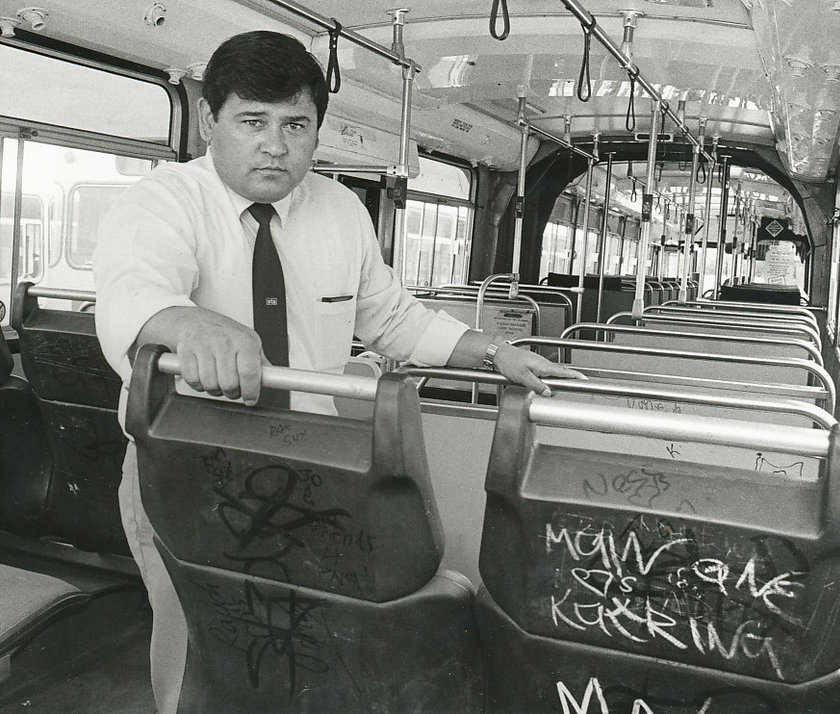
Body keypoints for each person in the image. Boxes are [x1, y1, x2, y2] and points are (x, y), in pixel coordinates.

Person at [94, 30, 581, 714]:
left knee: (299, 633)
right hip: (187, 472)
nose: (275, 145)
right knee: (202, 638)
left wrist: (495, 353)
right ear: (209, 121)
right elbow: (130, 295)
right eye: (252, 123)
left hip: (310, 468)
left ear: (318, 130)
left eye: (296, 125)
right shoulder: (161, 201)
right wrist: (189, 324)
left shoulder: (340, 210)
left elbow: (391, 319)